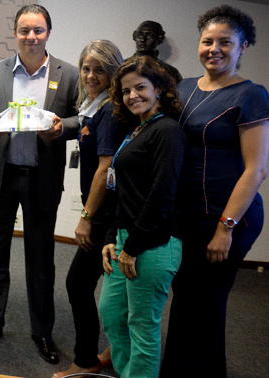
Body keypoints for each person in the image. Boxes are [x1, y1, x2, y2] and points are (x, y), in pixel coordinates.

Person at [160, 6, 269, 378]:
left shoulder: (251, 95)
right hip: (187, 214)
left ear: (243, 47)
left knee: (207, 302)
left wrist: (226, 227)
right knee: (186, 298)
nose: (215, 49)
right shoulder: (185, 87)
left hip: (227, 216)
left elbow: (256, 169)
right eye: (208, 41)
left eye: (226, 42)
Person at [0, 4, 79, 364]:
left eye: (38, 30)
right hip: (2, 176)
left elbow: (83, 116)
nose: (31, 37)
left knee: (41, 259)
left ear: (48, 32)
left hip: (41, 179)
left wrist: (61, 128)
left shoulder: (69, 74)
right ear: (15, 32)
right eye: (24, 30)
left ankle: (42, 332)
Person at [99, 56, 184, 378]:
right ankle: (127, 372)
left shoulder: (167, 131)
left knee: (142, 326)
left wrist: (132, 247)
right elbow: (125, 192)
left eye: (141, 88)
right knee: (112, 314)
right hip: (126, 238)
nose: (133, 95)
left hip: (154, 243)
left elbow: (162, 194)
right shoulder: (138, 129)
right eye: (126, 90)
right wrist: (111, 237)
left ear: (159, 89)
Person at [53, 40, 126, 378]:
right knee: (117, 288)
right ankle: (116, 349)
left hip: (105, 216)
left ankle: (85, 361)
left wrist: (86, 218)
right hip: (102, 212)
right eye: (86, 68)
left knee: (77, 284)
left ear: (114, 71)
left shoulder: (110, 110)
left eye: (100, 69)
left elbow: (104, 167)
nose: (91, 75)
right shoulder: (92, 106)